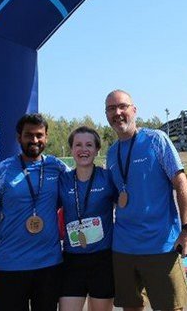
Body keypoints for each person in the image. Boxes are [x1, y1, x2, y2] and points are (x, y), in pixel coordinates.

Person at [104, 90, 187, 311]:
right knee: (131, 307)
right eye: (110, 109)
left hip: (161, 247)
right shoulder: (111, 153)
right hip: (124, 248)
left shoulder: (156, 140)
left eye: (122, 106)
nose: (117, 113)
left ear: (134, 110)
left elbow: (181, 183)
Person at [0, 113, 68, 311]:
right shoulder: (3, 170)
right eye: (28, 135)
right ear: (19, 138)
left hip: (49, 265)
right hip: (11, 265)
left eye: (39, 135)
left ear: (46, 137)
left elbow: (79, 187)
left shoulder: (58, 167)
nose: (34, 140)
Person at [58, 126, 118, 311]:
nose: (83, 150)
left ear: (97, 149)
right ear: (71, 150)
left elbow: (128, 205)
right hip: (72, 259)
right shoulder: (63, 180)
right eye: (78, 145)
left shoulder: (108, 178)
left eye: (89, 145)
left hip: (103, 259)